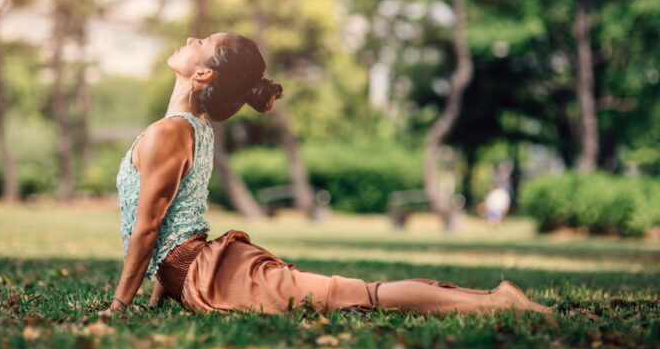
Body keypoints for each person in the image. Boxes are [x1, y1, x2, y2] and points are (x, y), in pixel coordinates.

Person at [100, 33, 551, 318]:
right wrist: (161, 299)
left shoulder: (170, 133)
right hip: (209, 269)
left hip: (214, 274)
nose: (191, 37)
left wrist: (119, 306)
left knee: (361, 295)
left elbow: (150, 229)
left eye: (201, 42)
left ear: (202, 72)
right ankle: (495, 299)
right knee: (355, 293)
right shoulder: (185, 130)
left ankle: (497, 302)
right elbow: (178, 222)